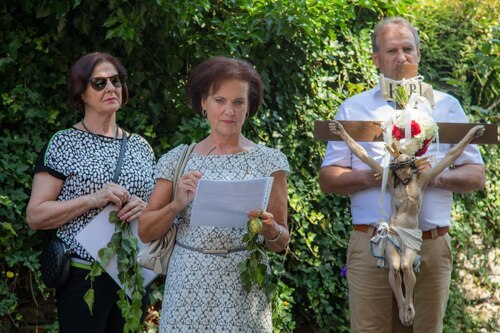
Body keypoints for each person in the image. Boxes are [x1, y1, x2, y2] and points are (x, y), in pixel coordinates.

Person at [318, 17, 485, 333]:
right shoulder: (354, 109)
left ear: (419, 53)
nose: (401, 57)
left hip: (431, 244)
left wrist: (431, 177)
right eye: (391, 50)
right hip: (372, 242)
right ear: (376, 59)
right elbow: (328, 178)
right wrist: (379, 176)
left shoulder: (447, 107)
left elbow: (476, 175)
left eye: (408, 49)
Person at [138, 56, 290, 332]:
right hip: (187, 284)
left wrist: (269, 228)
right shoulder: (177, 160)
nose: (229, 111)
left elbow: (281, 242)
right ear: (203, 104)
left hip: (244, 287)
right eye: (220, 100)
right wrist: (177, 204)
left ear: (248, 107)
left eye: (238, 102)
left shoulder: (270, 162)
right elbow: (145, 231)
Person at [26, 52, 155, 332]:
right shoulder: (64, 143)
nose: (111, 88)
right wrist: (93, 199)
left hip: (132, 276)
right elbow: (35, 215)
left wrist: (145, 209)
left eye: (116, 81)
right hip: (84, 276)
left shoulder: (141, 147)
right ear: (81, 92)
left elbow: (155, 211)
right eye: (99, 83)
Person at [328, 119, 485, 327]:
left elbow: (451, 156)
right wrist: (343, 135)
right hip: (393, 232)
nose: (402, 172)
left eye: (405, 168)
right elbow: (363, 155)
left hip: (411, 234)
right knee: (394, 266)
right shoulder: (390, 180)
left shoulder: (423, 179)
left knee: (404, 265)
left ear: (412, 168)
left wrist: (471, 135)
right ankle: (403, 302)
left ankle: (408, 302)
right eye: (398, 168)